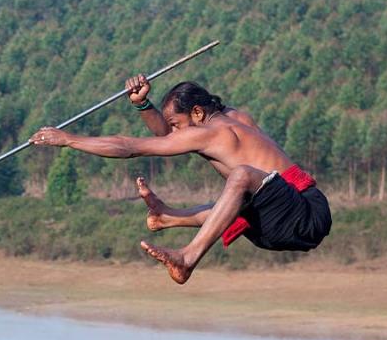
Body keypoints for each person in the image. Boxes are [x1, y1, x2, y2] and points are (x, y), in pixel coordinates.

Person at [30, 75, 332, 284]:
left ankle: (187, 258)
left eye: (177, 124)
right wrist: (142, 104)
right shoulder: (235, 119)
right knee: (237, 199)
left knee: (241, 178)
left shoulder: (215, 133)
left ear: (198, 112)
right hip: (286, 218)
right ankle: (168, 217)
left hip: (304, 214)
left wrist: (69, 139)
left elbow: (130, 147)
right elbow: (166, 136)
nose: (176, 134)